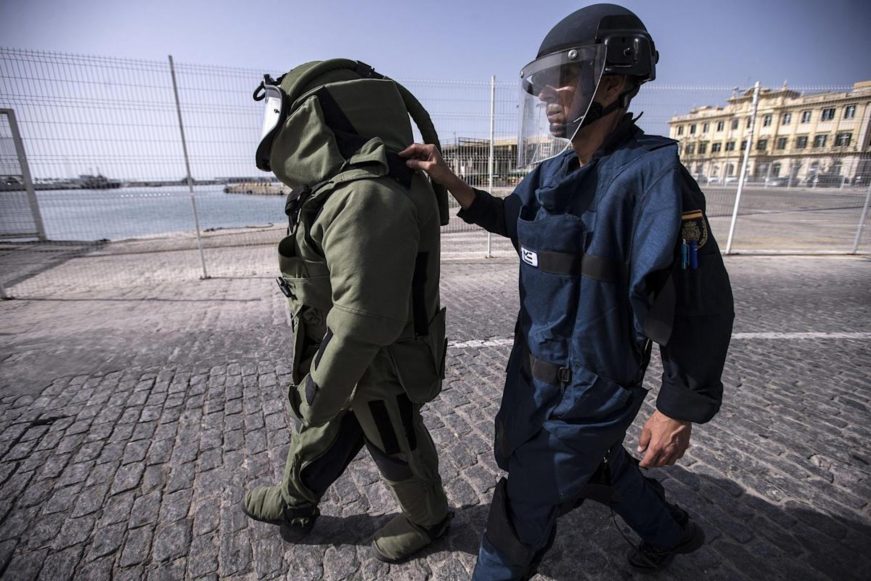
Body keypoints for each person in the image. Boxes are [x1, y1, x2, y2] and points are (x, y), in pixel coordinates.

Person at [401, 4, 734, 579]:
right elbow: (517, 221)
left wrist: (679, 405)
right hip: (534, 375)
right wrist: (449, 179)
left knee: (525, 499)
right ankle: (671, 532)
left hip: (594, 388)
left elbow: (702, 301)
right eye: (546, 82)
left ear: (615, 81)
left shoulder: (651, 180)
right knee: (594, 466)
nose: (550, 95)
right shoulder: (551, 177)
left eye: (566, 78)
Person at [242, 59, 453, 563]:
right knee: (326, 427)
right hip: (347, 350)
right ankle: (296, 498)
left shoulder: (365, 193)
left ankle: (430, 516)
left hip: (381, 359)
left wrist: (316, 391)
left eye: (278, 113)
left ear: (311, 118)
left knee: (391, 437)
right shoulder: (346, 183)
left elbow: (364, 320)